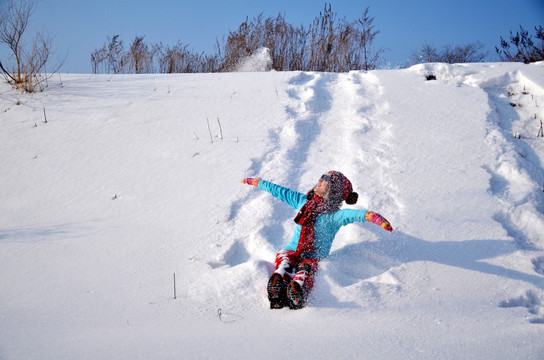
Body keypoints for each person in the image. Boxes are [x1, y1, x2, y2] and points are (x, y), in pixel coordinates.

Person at [241, 171, 393, 310]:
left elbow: (357, 215)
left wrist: (374, 217)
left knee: (307, 269)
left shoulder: (335, 216)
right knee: (284, 259)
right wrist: (258, 182)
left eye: (326, 180)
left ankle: (298, 289)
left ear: (333, 192)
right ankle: (280, 279)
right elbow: (280, 191)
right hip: (292, 250)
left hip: (313, 257)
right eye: (322, 176)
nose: (320, 180)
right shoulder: (303, 202)